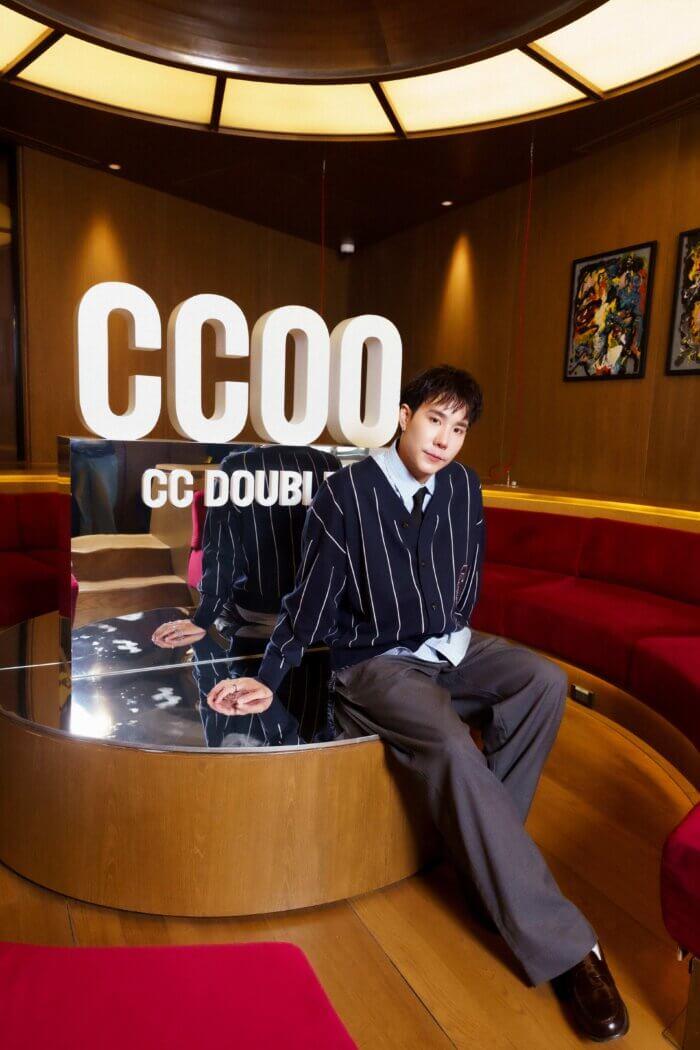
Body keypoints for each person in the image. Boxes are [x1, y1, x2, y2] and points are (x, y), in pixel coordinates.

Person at [206, 365, 630, 1042]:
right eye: (435, 419)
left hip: (448, 646)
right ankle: (569, 948)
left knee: (544, 682)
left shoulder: (462, 486)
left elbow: (468, 574)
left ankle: (487, 872)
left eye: (458, 429)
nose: (444, 439)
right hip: (371, 661)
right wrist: (274, 673)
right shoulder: (345, 493)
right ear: (404, 417)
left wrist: (452, 631)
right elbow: (311, 597)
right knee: (453, 743)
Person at [152, 444, 339, 649]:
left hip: (260, 611)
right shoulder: (328, 463)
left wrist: (202, 619)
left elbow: (223, 553)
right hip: (321, 612)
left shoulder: (237, 465)